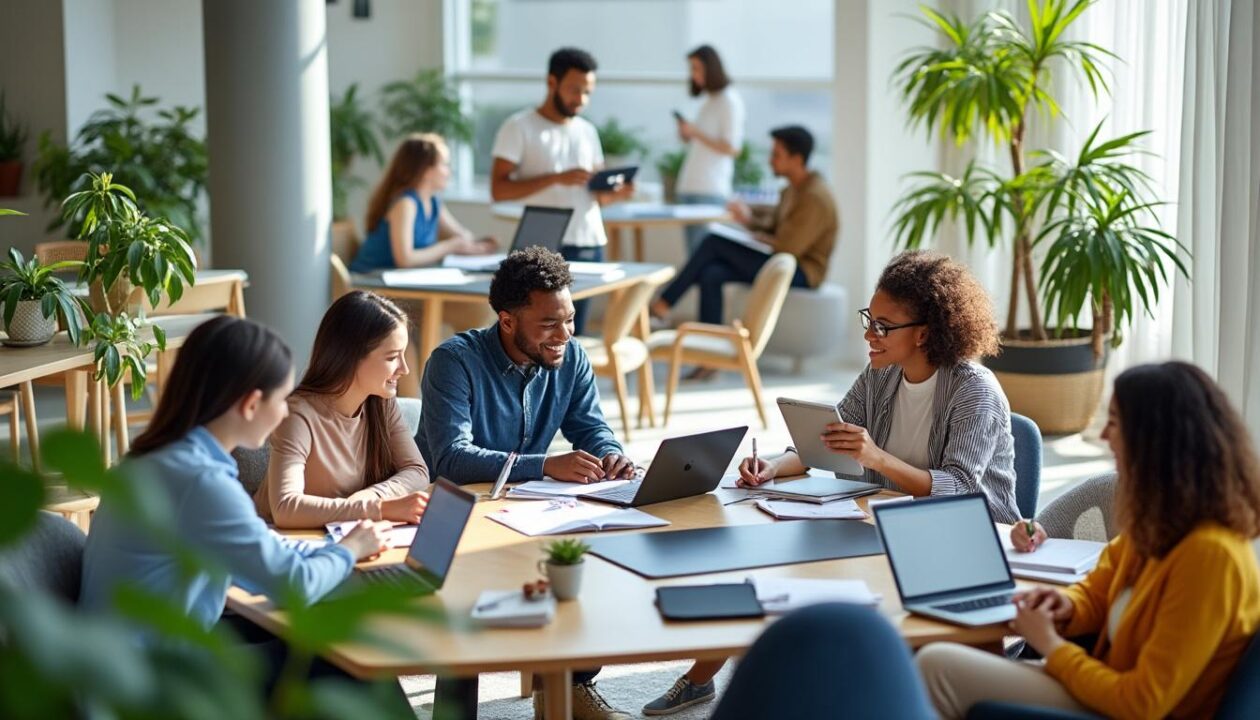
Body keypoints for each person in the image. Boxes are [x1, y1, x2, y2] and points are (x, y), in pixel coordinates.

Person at [643, 250, 1020, 715]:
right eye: (870, 319)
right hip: (885, 524)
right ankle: (700, 679)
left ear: (924, 333)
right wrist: (774, 467)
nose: (869, 334)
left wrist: (877, 456)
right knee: (766, 557)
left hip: (961, 542)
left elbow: (960, 489)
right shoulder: (881, 377)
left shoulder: (973, 391)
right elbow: (828, 441)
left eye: (883, 326)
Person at [78, 316, 399, 701]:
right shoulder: (201, 483)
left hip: (128, 661)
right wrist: (349, 551)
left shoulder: (159, 457)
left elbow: (260, 545)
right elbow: (292, 586)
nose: (284, 413)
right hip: (151, 685)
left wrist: (340, 547)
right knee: (352, 659)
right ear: (250, 404)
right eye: (281, 400)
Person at [918, 361, 1260, 719]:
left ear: (1154, 441)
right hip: (1103, 688)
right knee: (940, 666)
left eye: (1114, 422)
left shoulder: (1211, 557)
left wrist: (1049, 644)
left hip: (1124, 707)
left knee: (937, 667)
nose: (1104, 436)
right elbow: (1097, 592)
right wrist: (1065, 606)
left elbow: (1143, 703)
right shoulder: (1159, 528)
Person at [417, 246, 633, 720]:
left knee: (594, 564)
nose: (565, 335)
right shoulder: (453, 362)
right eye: (550, 324)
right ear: (508, 321)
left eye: (571, 319)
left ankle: (568, 688)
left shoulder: (570, 357)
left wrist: (610, 452)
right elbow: (451, 458)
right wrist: (544, 465)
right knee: (467, 600)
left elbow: (588, 426)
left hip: (532, 509)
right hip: (456, 511)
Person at [649, 125, 837, 349]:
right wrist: (749, 220)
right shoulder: (792, 190)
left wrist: (755, 235)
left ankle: (663, 303)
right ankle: (708, 352)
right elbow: (774, 227)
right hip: (785, 261)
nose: (770, 161)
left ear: (797, 159)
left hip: (801, 272)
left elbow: (787, 248)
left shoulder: (813, 197)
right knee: (712, 273)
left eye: (776, 155)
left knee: (713, 242)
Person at [253, 291, 430, 528]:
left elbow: (417, 472)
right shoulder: (297, 415)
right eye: (392, 358)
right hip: (283, 542)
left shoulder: (380, 402)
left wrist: (371, 497)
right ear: (351, 357)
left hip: (343, 535)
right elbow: (285, 508)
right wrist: (378, 509)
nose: (405, 369)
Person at [490, 47, 635, 335]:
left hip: (589, 242)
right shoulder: (519, 127)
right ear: (551, 82)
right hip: (542, 245)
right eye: (574, 89)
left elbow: (595, 196)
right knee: (532, 335)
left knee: (573, 335)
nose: (581, 99)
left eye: (587, 92)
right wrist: (556, 178)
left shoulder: (587, 131)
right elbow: (499, 190)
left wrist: (615, 193)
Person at [349, 133, 496, 273]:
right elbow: (404, 260)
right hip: (370, 279)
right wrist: (450, 246)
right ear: (426, 170)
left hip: (399, 280)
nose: (449, 171)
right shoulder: (406, 203)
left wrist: (480, 245)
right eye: (445, 164)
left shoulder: (433, 201)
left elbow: (461, 235)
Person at [674, 44, 745, 256]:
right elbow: (705, 143)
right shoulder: (709, 101)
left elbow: (732, 148)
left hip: (709, 190)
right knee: (693, 256)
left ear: (711, 68)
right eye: (691, 69)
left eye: (696, 68)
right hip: (691, 188)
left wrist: (696, 132)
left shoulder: (729, 101)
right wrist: (689, 134)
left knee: (701, 258)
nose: (693, 75)